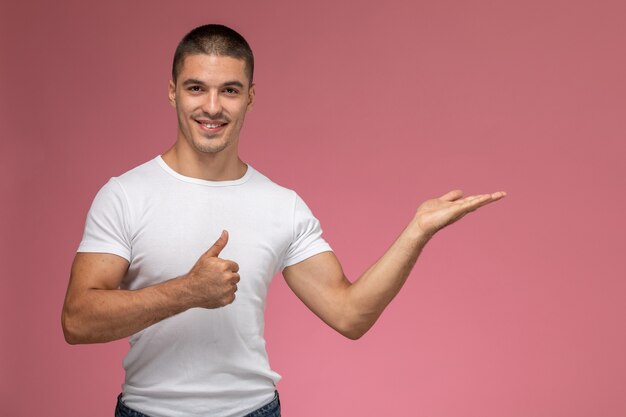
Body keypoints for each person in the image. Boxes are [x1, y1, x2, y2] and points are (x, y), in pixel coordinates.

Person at [61, 24, 506, 417]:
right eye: (196, 88)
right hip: (148, 411)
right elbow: (77, 321)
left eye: (230, 90)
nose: (212, 107)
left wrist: (417, 231)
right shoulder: (125, 195)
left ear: (250, 97)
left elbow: (349, 314)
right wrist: (186, 292)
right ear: (173, 91)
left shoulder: (281, 205)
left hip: (252, 411)